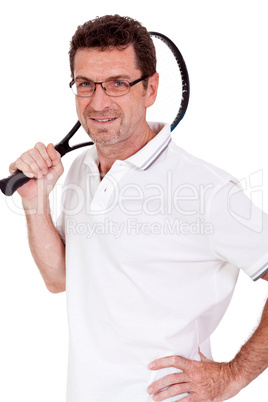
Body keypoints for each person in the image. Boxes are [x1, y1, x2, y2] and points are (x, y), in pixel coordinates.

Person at [9, 14, 268, 402]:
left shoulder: (208, 190)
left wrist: (231, 376)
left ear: (150, 89)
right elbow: (60, 278)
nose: (98, 102)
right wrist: (35, 200)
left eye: (117, 83)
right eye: (85, 84)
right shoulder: (80, 169)